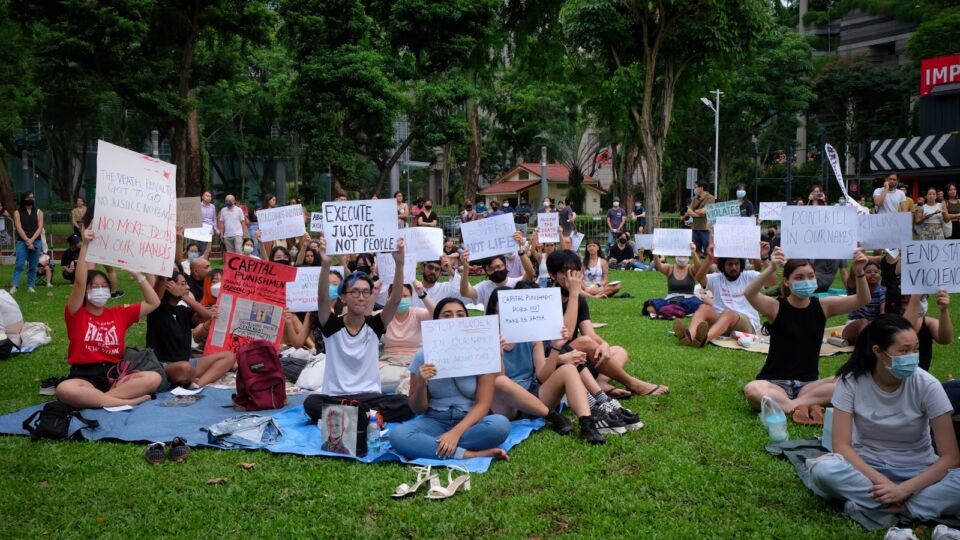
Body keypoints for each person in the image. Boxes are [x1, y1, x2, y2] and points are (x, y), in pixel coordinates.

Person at [806, 314, 960, 527]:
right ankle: (909, 507)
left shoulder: (927, 385)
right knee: (824, 471)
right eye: (904, 351)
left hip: (918, 471)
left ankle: (892, 506)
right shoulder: (851, 382)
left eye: (915, 349)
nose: (912, 357)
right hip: (868, 468)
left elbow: (950, 457)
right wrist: (885, 484)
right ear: (878, 351)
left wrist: (904, 490)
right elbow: (841, 445)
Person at [742, 249, 869, 422]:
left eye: (810, 276)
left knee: (849, 382)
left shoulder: (824, 306)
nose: (806, 281)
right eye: (799, 278)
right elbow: (750, 293)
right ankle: (801, 407)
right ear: (787, 282)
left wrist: (860, 271)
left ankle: (792, 405)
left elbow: (862, 299)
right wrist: (771, 267)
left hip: (809, 386)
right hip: (774, 383)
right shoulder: (776, 307)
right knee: (752, 390)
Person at [389, 298, 511, 461]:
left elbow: (483, 404)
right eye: (447, 315)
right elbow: (417, 409)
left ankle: (432, 445)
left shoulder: (482, 351)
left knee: (500, 425)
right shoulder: (422, 356)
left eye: (460, 315)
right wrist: (422, 385)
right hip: (434, 420)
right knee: (398, 435)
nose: (454, 319)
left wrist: (455, 433)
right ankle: (467, 454)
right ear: (436, 322)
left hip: (471, 422)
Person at [55, 228, 162, 408]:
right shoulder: (76, 313)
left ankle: (103, 400)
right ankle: (126, 401)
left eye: (104, 285)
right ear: (86, 291)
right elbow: (80, 282)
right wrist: (85, 246)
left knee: (153, 377)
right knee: (65, 389)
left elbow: (153, 303)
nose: (100, 289)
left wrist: (139, 276)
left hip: (115, 375)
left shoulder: (118, 313)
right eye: (95, 286)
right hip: (84, 375)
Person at [485, 286, 608, 444]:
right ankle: (553, 417)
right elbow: (498, 380)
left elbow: (543, 375)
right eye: (503, 307)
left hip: (532, 393)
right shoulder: (488, 338)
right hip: (506, 403)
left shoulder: (531, 336)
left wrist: (556, 347)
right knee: (500, 382)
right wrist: (498, 354)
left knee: (569, 369)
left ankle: (587, 424)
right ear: (494, 310)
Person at [549, 249, 669, 398]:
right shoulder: (547, 299)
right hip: (554, 358)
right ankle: (633, 383)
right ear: (552, 274)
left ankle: (601, 383)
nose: (572, 277)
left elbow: (590, 333)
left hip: (577, 358)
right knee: (585, 342)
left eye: (575, 271)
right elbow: (564, 336)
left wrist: (604, 344)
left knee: (618, 351)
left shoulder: (579, 300)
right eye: (565, 271)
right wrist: (574, 293)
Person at [314, 237, 406, 396]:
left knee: (402, 404)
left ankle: (361, 416)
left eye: (365, 292)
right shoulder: (331, 325)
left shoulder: (375, 325)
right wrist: (326, 264)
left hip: (369, 397)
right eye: (355, 292)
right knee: (312, 404)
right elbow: (322, 300)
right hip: (336, 399)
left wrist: (399, 264)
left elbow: (395, 300)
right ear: (343, 297)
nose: (361, 297)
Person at [676, 243, 774, 347]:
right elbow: (700, 278)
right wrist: (709, 257)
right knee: (704, 308)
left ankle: (703, 339)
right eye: (730, 264)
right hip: (721, 322)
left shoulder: (750, 276)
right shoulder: (717, 278)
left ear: (741, 264)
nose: (734, 267)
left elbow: (771, 281)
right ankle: (689, 337)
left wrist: (764, 257)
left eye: (736, 264)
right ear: (723, 265)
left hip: (746, 324)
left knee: (728, 314)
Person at [148, 273, 235, 388]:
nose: (188, 287)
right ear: (170, 286)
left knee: (229, 357)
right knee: (185, 368)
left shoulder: (182, 310)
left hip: (188, 363)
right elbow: (159, 285)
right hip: (165, 366)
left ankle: (197, 386)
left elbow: (206, 315)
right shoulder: (157, 309)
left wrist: (184, 296)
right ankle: (192, 379)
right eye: (183, 284)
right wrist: (163, 278)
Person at [378, 282, 435, 394]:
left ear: (411, 298)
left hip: (414, 362)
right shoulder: (383, 315)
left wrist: (422, 294)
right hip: (389, 361)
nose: (400, 299)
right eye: (396, 296)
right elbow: (365, 317)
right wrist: (374, 294)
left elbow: (437, 314)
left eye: (405, 296)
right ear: (388, 298)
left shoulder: (418, 314)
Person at [458, 232, 535, 307]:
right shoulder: (484, 288)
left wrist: (520, 250)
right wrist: (465, 267)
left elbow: (530, 273)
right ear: (485, 272)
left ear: (506, 266)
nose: (496, 271)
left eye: (498, 266)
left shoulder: (516, 283)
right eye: (491, 269)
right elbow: (465, 292)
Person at [644, 243, 703, 319]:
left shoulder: (691, 268)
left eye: (685, 256)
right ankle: (674, 312)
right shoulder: (670, 268)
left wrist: (693, 252)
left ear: (688, 257)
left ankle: (666, 313)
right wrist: (655, 253)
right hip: (670, 300)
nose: (682, 258)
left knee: (697, 304)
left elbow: (699, 267)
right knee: (650, 307)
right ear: (675, 256)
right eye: (679, 255)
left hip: (688, 301)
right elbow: (658, 265)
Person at [902, 291, 953, 372]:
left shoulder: (927, 322)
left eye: (923, 298)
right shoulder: (886, 323)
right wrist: (915, 295)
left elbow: (945, 339)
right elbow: (903, 332)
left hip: (920, 382)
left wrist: (944, 311)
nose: (920, 302)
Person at [841, 261, 885, 345]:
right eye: (868, 272)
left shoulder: (883, 291)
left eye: (876, 272)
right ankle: (866, 346)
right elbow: (852, 277)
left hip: (873, 325)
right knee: (863, 322)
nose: (873, 274)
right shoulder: (855, 288)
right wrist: (857, 265)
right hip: (854, 324)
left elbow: (882, 313)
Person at [11, 192, 44, 294]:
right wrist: (27, 240)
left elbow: (40, 227)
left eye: (33, 197)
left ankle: (31, 286)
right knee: (19, 264)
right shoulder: (17, 212)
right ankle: (15, 286)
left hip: (36, 241)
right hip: (22, 242)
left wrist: (32, 240)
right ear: (24, 199)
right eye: (29, 197)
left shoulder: (39, 212)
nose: (31, 199)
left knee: (33, 266)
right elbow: (18, 227)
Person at [685, 181, 715, 256]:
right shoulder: (695, 198)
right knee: (695, 250)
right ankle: (696, 267)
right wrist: (698, 213)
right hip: (695, 227)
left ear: (701, 188)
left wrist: (694, 212)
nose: (695, 189)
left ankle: (707, 267)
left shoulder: (710, 198)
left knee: (707, 250)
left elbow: (705, 211)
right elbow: (689, 210)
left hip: (705, 228)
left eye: (696, 187)